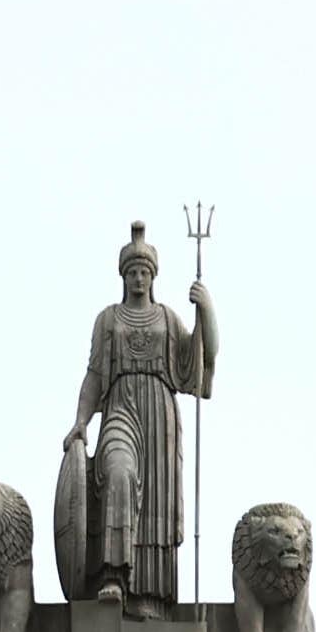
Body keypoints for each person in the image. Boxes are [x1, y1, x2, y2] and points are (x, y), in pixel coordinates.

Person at [62, 223, 216, 606]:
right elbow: (95, 374)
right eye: (131, 272)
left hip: (160, 416)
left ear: (153, 276)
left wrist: (207, 311)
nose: (138, 278)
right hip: (120, 409)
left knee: (155, 508)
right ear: (123, 276)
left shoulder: (167, 318)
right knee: (118, 472)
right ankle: (113, 575)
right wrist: (81, 421)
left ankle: (150, 594)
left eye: (144, 272)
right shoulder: (108, 320)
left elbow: (202, 358)